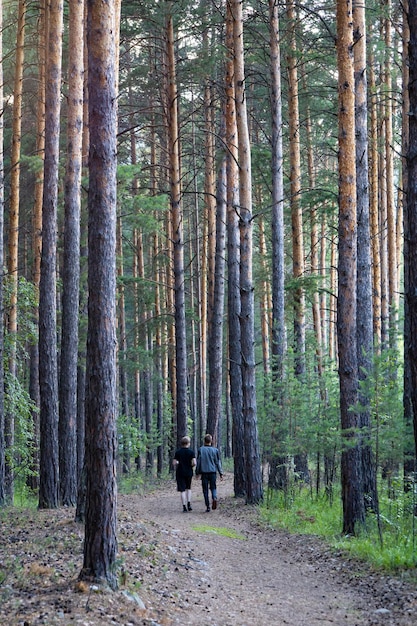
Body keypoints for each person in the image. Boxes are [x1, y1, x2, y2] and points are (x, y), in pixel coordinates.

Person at [195, 434, 223, 512]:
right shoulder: (215, 450)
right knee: (213, 487)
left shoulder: (201, 449)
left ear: (204, 441)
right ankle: (214, 497)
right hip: (213, 472)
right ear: (211, 441)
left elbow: (199, 462)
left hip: (204, 473)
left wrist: (197, 473)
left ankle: (207, 506)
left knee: (205, 490)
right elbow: (217, 462)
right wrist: (221, 473)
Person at [173, 436, 196, 512]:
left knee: (182, 490)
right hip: (189, 472)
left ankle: (184, 507)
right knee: (188, 488)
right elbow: (194, 463)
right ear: (188, 443)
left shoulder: (178, 452)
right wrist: (191, 465)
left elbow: (174, 463)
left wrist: (178, 462)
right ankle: (189, 503)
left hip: (180, 472)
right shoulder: (191, 452)